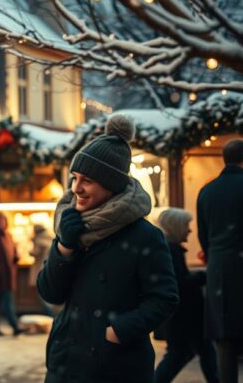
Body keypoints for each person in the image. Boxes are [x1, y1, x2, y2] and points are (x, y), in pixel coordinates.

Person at [38, 115, 178, 382]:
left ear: (111, 184)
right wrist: (65, 246)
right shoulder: (71, 226)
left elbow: (164, 299)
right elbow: (49, 292)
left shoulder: (145, 236)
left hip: (116, 367)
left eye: (87, 180)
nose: (76, 188)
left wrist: (118, 330)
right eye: (74, 178)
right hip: (66, 364)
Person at [197, 138, 243, 383]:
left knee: (225, 341)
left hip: (219, 270)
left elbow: (204, 237)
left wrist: (215, 255)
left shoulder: (207, 191)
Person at [154, 208, 218, 383]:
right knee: (186, 353)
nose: (189, 230)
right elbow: (181, 284)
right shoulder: (171, 250)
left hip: (182, 317)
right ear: (176, 227)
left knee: (194, 352)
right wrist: (204, 275)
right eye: (186, 226)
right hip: (185, 317)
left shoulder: (167, 249)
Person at [29, 224, 55, 317]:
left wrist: (31, 242)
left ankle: (53, 315)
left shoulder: (39, 240)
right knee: (47, 294)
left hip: (40, 270)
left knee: (43, 296)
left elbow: (34, 253)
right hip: (49, 269)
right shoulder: (50, 238)